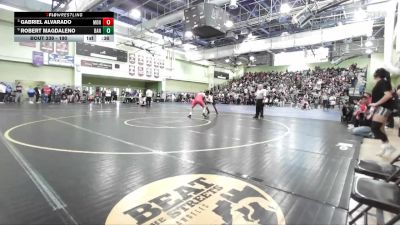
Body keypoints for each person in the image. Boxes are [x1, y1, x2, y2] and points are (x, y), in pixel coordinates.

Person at [369, 68, 396, 158]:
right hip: (383, 107)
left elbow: (388, 95)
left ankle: (388, 147)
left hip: (384, 107)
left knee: (375, 128)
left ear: (377, 75)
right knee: (380, 129)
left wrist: (376, 103)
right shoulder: (385, 82)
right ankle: (386, 147)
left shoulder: (382, 82)